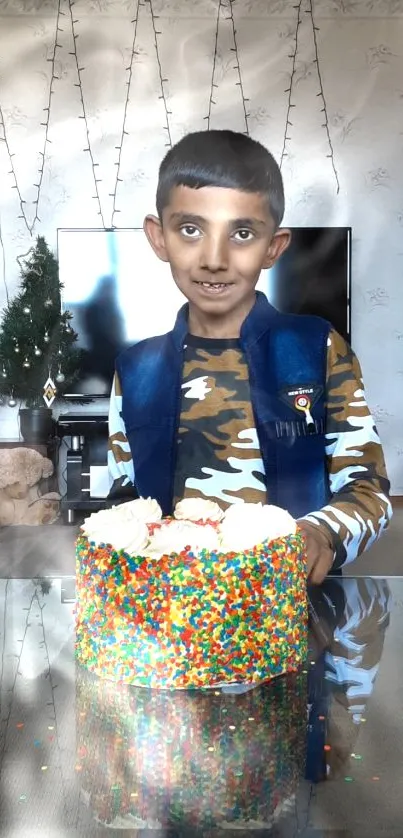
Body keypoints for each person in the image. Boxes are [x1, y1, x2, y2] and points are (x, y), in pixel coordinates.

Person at [107, 129, 392, 584]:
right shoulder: (135, 370)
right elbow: (122, 501)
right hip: (171, 621)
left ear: (273, 247)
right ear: (158, 238)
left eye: (242, 233)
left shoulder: (316, 348)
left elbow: (368, 491)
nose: (215, 259)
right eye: (190, 229)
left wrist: (319, 535)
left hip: (294, 618)